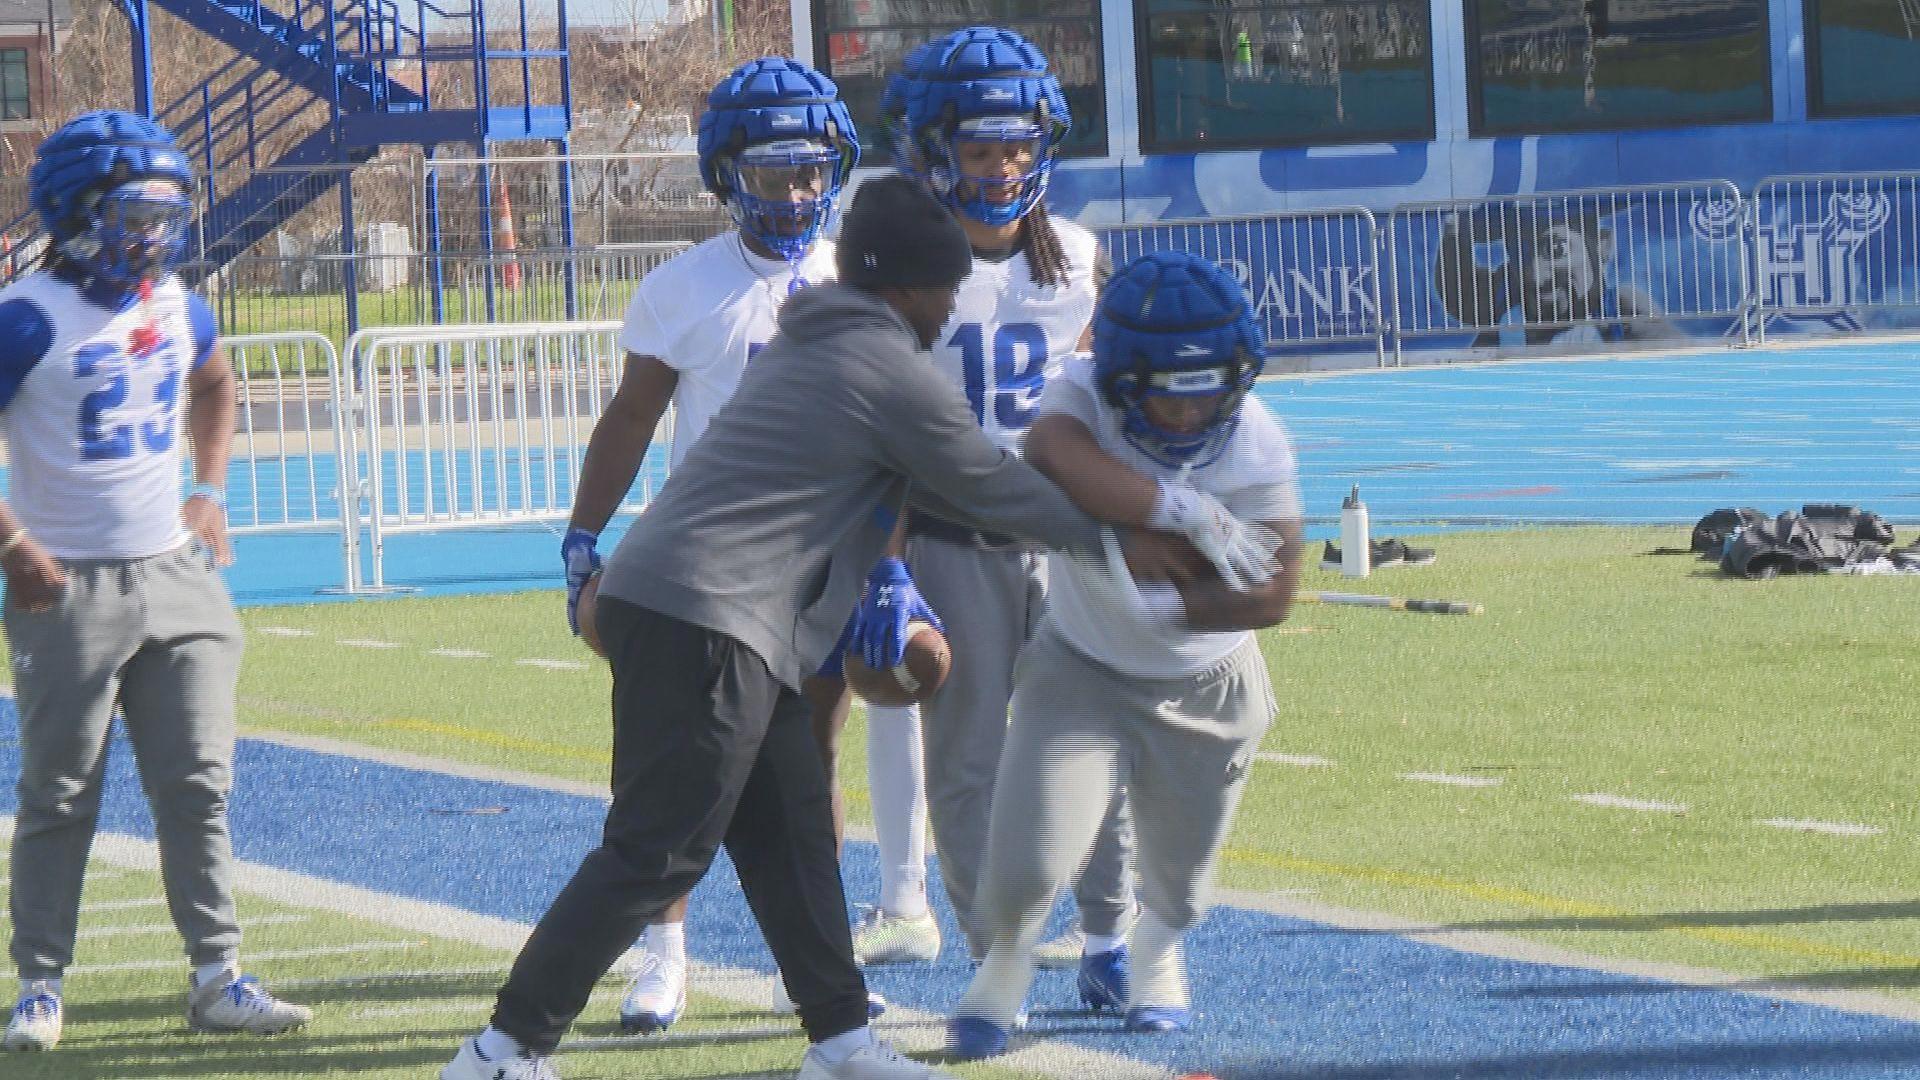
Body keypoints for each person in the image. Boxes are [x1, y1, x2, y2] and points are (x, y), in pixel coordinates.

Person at [441, 176, 1255, 1080]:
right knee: (655, 852)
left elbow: (955, 491)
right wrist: (1139, 530)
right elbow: (989, 485)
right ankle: (503, 1050)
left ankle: (839, 1042)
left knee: (792, 837)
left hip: (722, 617)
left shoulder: (821, 339)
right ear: (906, 284)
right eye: (945, 287)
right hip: (707, 616)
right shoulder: (883, 366)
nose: (951, 307)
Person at [556, 55, 883, 1037]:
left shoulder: (860, 281)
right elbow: (632, 416)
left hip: (818, 557)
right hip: (706, 567)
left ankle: (810, 959)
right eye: (775, 171)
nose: (798, 191)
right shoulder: (685, 288)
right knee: (673, 773)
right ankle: (664, 954)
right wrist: (584, 534)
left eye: (812, 169)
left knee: (811, 762)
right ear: (726, 174)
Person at [0, 110, 311, 1053]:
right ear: (77, 210)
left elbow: (215, 385)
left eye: (167, 215)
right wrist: (12, 540)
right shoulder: (25, 317)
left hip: (177, 577)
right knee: (60, 792)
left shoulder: (177, 302)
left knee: (198, 785)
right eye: (137, 214)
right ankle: (39, 984)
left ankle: (217, 974)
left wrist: (208, 489)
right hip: (68, 586)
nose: (155, 235)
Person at [949, 250, 1304, 1057]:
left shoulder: (1256, 443)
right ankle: (1004, 968)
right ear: (1119, 378)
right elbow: (1052, 450)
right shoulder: (1080, 392)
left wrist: (1165, 601)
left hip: (1207, 677)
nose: (1188, 415)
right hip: (1082, 668)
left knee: (1182, 879)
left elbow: (1276, 592)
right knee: (1027, 859)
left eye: (1207, 391)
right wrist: (1178, 512)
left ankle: (1156, 951)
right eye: (1166, 395)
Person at [849, 27, 1135, 1004]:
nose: (1004, 167)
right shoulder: (899, 271)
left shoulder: (1079, 257)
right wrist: (884, 562)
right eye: (980, 148)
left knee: (1096, 741)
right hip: (950, 540)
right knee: (966, 769)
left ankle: (1108, 938)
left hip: (1062, 540)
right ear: (932, 152)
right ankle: (997, 948)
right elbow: (878, 437)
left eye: (1019, 146)